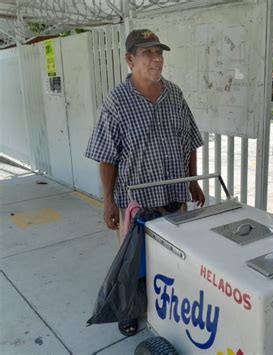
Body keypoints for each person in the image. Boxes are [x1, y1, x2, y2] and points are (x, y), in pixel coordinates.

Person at [85, 29, 205, 336]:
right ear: (129, 59)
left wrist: (193, 181)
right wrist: (109, 200)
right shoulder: (117, 100)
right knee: (134, 262)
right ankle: (130, 309)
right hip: (136, 201)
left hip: (174, 194)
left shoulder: (174, 94)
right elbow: (107, 155)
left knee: (174, 258)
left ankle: (170, 308)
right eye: (147, 53)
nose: (156, 59)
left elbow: (189, 139)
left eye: (159, 53)